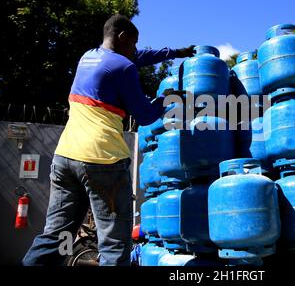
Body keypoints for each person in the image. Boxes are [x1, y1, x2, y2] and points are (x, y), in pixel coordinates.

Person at [22, 14, 195, 266]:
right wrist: (169, 98)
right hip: (103, 160)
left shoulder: (88, 57)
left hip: (65, 157)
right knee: (114, 244)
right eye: (134, 43)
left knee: (56, 236)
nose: (136, 50)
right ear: (123, 37)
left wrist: (175, 52)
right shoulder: (123, 68)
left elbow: (137, 59)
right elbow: (145, 115)